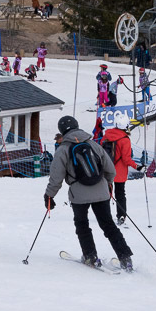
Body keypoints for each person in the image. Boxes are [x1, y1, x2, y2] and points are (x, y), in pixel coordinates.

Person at [45, 114, 132, 271]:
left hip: (78, 194)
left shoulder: (63, 149)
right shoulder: (94, 144)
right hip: (101, 190)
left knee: (82, 224)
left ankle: (90, 256)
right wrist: (108, 185)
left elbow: (56, 177)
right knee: (108, 225)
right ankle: (125, 257)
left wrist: (49, 196)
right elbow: (110, 169)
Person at [101, 123, 135, 225]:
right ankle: (121, 215)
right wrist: (137, 166)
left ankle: (105, 215)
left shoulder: (106, 135)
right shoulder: (125, 139)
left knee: (106, 193)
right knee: (120, 193)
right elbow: (126, 159)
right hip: (119, 172)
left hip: (107, 169)